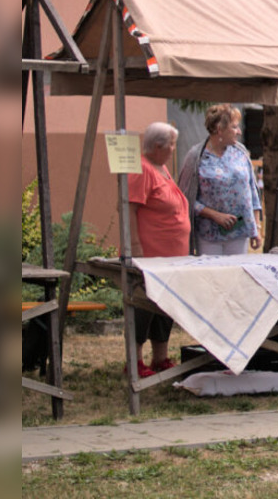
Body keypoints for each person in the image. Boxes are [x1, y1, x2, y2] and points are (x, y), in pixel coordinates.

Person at [127, 122, 191, 376]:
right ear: (157, 146)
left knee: (165, 307)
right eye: (172, 144)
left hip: (171, 257)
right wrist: (135, 247)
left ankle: (160, 357)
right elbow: (130, 209)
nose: (174, 149)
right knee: (144, 306)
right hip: (151, 255)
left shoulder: (160, 166)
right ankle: (135, 360)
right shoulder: (142, 169)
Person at [178, 104, 263, 255]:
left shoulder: (240, 152)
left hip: (240, 232)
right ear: (219, 129)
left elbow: (252, 190)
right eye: (234, 127)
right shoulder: (197, 156)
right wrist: (214, 215)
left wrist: (256, 226)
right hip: (209, 235)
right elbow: (185, 197)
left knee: (236, 275)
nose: (239, 132)